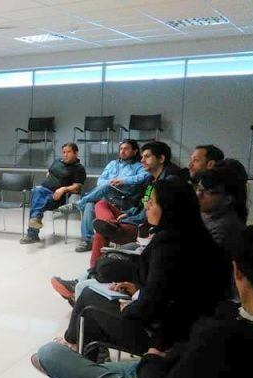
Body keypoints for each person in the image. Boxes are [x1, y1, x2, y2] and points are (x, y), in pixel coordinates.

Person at [32, 221, 253, 378]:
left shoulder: (224, 335)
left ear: (238, 273)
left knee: (49, 354)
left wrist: (152, 360)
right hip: (173, 376)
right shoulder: (245, 327)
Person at [53, 178, 230, 358]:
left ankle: (75, 345)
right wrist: (139, 287)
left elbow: (152, 303)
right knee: (96, 289)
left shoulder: (169, 244)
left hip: (162, 337)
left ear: (169, 207)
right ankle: (84, 351)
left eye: (152, 203)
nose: (147, 207)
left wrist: (129, 308)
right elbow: (169, 286)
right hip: (186, 329)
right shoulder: (196, 235)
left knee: (89, 299)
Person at [86, 141, 181, 269]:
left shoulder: (170, 181)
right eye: (142, 157)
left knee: (101, 233)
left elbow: (150, 214)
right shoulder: (151, 179)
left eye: (147, 157)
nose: (142, 160)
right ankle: (110, 225)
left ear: (161, 159)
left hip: (145, 227)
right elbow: (144, 203)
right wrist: (130, 212)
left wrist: (131, 218)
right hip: (136, 217)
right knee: (101, 204)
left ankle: (93, 270)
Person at [57, 140, 147, 252]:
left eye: (126, 149)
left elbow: (144, 176)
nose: (122, 151)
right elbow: (101, 180)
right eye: (121, 149)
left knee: (106, 187)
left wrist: (124, 181)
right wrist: (109, 183)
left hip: (124, 199)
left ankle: (78, 204)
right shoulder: (113, 164)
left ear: (134, 151)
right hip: (107, 195)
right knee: (90, 204)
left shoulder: (139, 166)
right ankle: (87, 240)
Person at [20, 143, 86, 244]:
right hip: (44, 190)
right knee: (36, 191)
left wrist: (63, 189)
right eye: (64, 152)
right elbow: (49, 173)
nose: (65, 154)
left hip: (59, 197)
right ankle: (35, 220)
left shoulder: (78, 168)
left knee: (36, 199)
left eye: (68, 152)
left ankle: (32, 232)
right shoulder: (57, 162)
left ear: (76, 153)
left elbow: (77, 187)